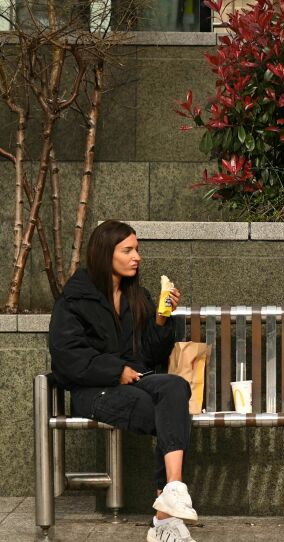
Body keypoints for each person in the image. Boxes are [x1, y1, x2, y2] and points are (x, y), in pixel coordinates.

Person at [48, 220, 198, 542]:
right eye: (127, 250)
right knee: (165, 409)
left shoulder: (136, 295)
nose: (137, 257)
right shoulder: (75, 300)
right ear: (105, 254)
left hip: (138, 378)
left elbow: (148, 354)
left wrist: (161, 318)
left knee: (175, 387)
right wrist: (115, 371)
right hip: (94, 390)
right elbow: (67, 356)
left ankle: (170, 494)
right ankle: (165, 522)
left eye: (137, 249)